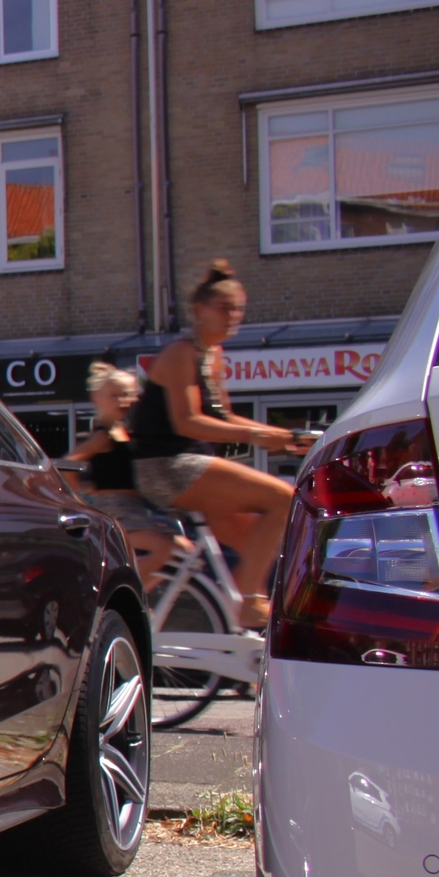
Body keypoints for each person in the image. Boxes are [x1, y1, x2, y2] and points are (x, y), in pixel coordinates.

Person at [130, 260, 297, 629]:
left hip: (188, 462)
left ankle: (242, 628)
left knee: (257, 540)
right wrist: (257, 435)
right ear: (199, 311)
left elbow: (224, 419)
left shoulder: (212, 356)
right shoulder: (180, 353)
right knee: (283, 498)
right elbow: (187, 420)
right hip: (167, 466)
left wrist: (280, 437)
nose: (233, 316)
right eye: (224, 308)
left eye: (238, 309)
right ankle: (249, 604)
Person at [63, 362, 191, 592]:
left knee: (185, 553)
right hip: (118, 511)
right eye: (114, 395)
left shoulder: (125, 432)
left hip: (135, 509)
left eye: (127, 395)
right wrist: (83, 494)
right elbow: (69, 464)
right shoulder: (104, 436)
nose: (122, 401)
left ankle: (139, 595)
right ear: (97, 399)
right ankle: (123, 595)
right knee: (168, 549)